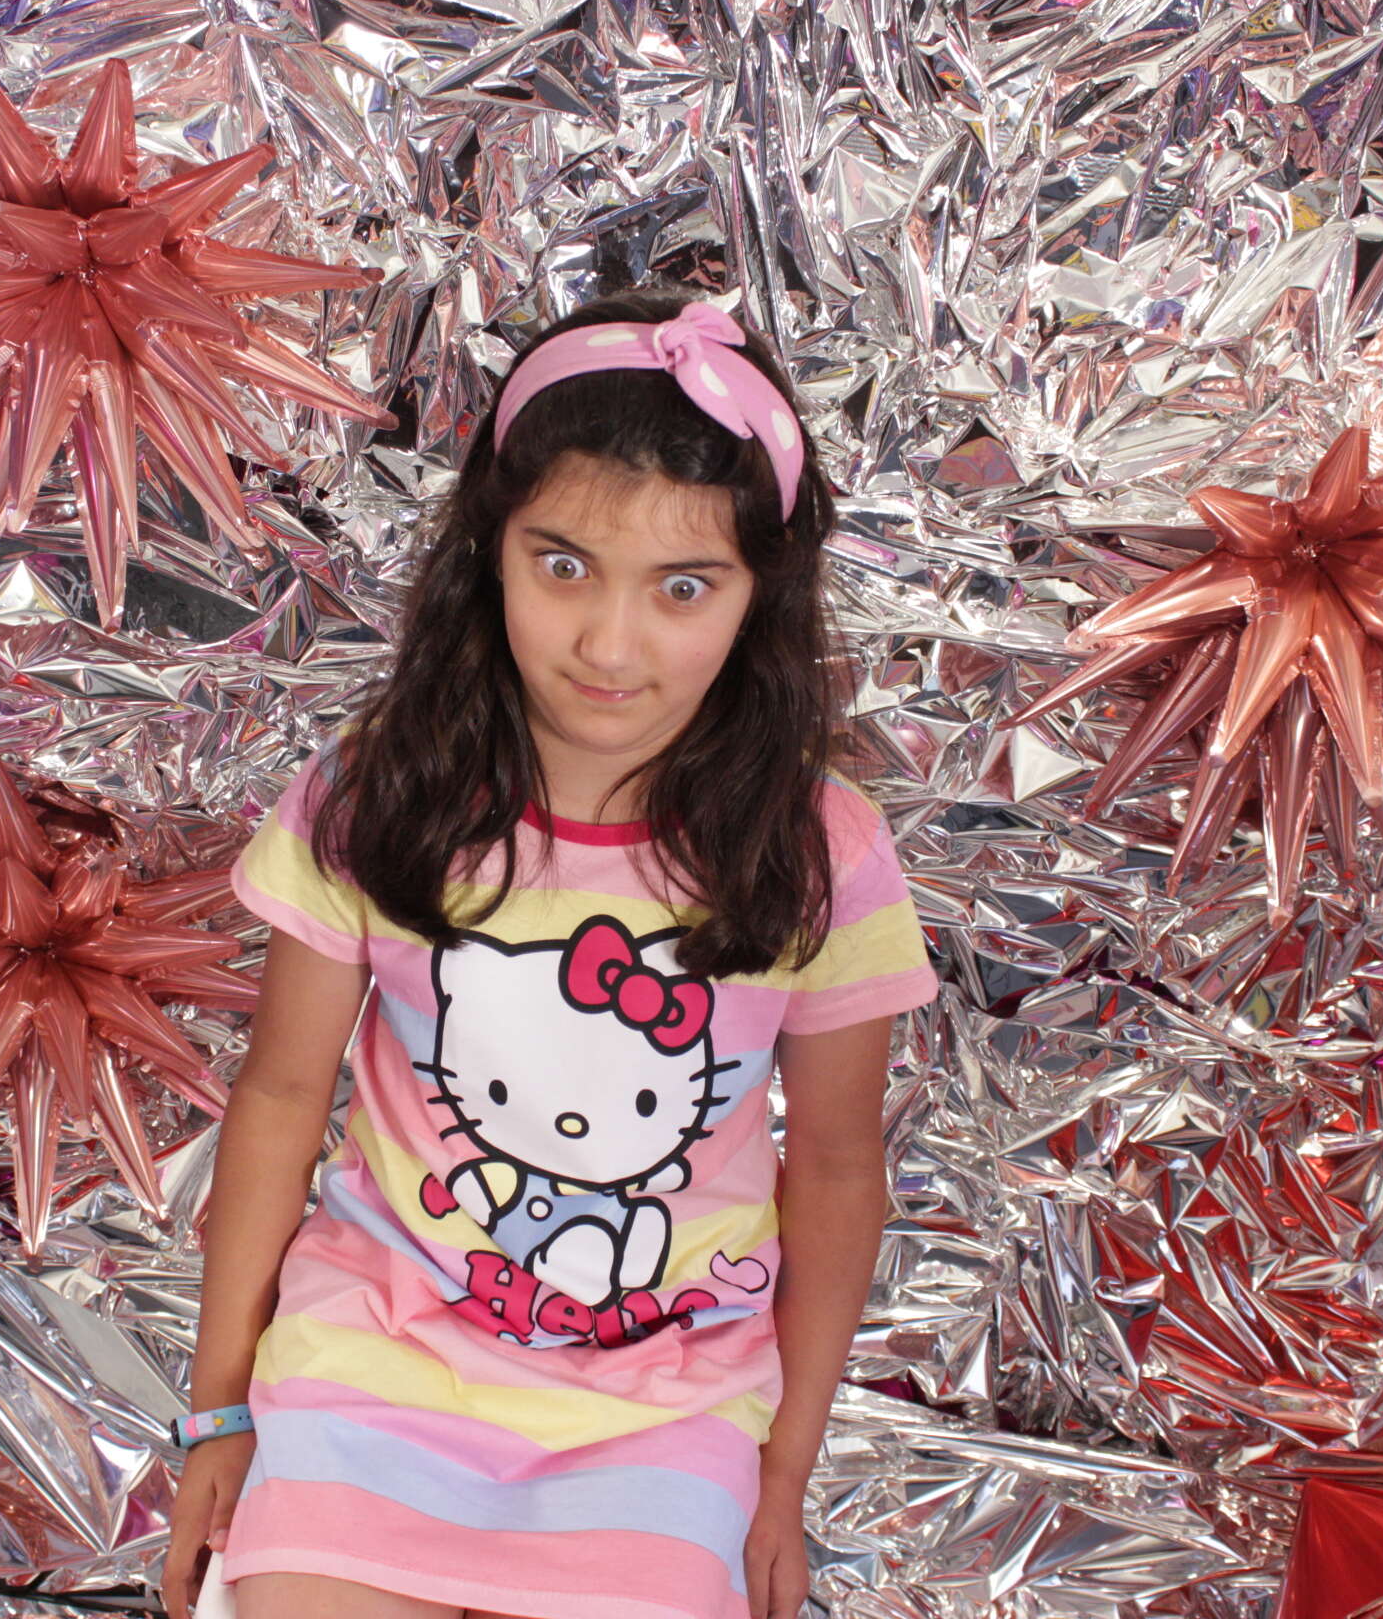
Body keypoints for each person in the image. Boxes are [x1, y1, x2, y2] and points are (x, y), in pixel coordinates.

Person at [158, 288, 938, 1619]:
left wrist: (781, 1473)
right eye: (564, 565)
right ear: (491, 548)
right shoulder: (378, 793)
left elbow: (836, 1167)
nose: (609, 645)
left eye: (683, 587)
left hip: (667, 1401)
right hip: (376, 1353)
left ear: (760, 594)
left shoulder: (824, 849)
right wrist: (222, 1413)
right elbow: (282, 1095)